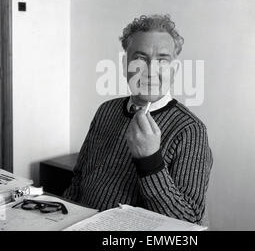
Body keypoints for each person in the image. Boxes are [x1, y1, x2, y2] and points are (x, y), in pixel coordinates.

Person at [63, 14, 213, 225]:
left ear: (174, 70)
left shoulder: (190, 130)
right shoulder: (106, 110)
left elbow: (187, 220)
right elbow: (79, 177)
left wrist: (149, 160)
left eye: (162, 60)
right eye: (141, 58)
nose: (150, 71)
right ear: (125, 65)